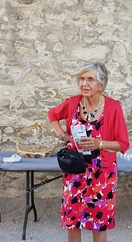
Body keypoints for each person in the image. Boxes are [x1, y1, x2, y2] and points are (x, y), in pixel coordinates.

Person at [48, 62, 129, 242]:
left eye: (90, 79)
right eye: (81, 79)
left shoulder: (113, 107)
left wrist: (98, 143)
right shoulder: (72, 103)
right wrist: (63, 135)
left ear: (101, 84)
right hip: (75, 171)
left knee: (98, 224)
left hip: (103, 174)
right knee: (73, 221)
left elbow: (123, 144)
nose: (84, 84)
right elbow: (52, 114)